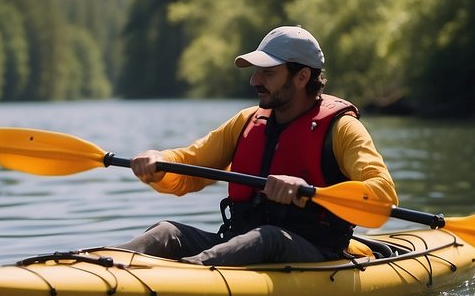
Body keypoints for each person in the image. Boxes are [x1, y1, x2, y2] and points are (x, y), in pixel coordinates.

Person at [115, 25, 397, 266]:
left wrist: (310, 192)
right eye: (256, 72)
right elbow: (190, 165)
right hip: (238, 243)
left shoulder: (342, 129)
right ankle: (105, 266)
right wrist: (158, 162)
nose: (255, 80)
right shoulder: (247, 121)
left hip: (315, 252)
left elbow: (382, 196)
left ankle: (181, 277)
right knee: (167, 231)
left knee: (269, 236)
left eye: (268, 73)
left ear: (302, 77)